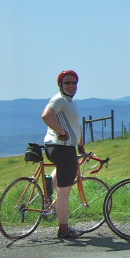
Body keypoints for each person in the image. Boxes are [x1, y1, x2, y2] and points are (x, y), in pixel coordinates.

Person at [42, 70, 86, 239]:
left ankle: (49, 182)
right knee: (64, 192)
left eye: (74, 83)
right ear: (60, 84)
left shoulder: (69, 102)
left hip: (61, 148)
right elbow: (46, 116)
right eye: (67, 83)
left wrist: (81, 145)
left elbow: (75, 126)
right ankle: (64, 229)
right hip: (63, 148)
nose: (71, 86)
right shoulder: (59, 99)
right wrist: (62, 132)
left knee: (61, 175)